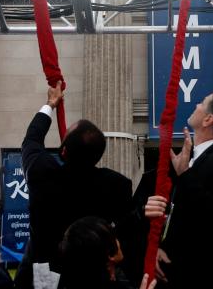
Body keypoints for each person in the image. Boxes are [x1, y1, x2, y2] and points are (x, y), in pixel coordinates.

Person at [17, 83, 133, 288]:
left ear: (63, 151)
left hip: (45, 275)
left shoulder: (42, 173)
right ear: (98, 156)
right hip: (92, 277)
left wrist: (50, 104)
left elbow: (32, 140)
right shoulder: (117, 186)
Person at [145, 85, 213, 289]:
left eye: (202, 102)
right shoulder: (194, 158)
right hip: (171, 269)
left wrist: (185, 175)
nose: (196, 104)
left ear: (208, 119)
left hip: (197, 277)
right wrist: (160, 247)